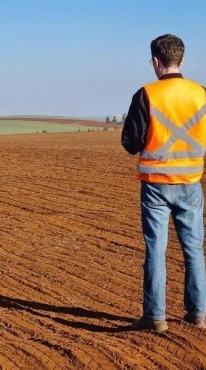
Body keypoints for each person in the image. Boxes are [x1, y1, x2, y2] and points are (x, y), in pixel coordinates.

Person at [122, 34, 206, 332]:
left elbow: (131, 143)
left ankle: (155, 318)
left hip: (156, 186)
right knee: (194, 250)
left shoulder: (146, 94)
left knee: (156, 250)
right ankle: (198, 314)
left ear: (156, 62)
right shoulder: (202, 93)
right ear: (181, 60)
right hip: (191, 183)